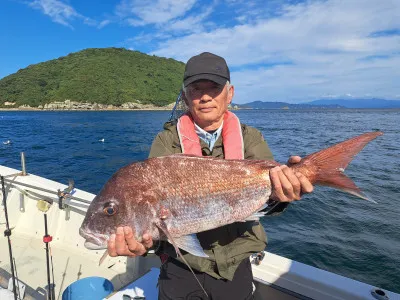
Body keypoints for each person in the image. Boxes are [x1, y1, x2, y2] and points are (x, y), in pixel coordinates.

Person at [107, 52, 314, 299]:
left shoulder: (251, 138)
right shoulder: (166, 141)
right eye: (196, 89)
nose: (205, 97)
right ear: (185, 96)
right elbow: (154, 210)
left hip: (236, 259)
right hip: (181, 264)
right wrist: (142, 243)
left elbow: (271, 200)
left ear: (230, 93)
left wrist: (284, 194)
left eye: (214, 88)